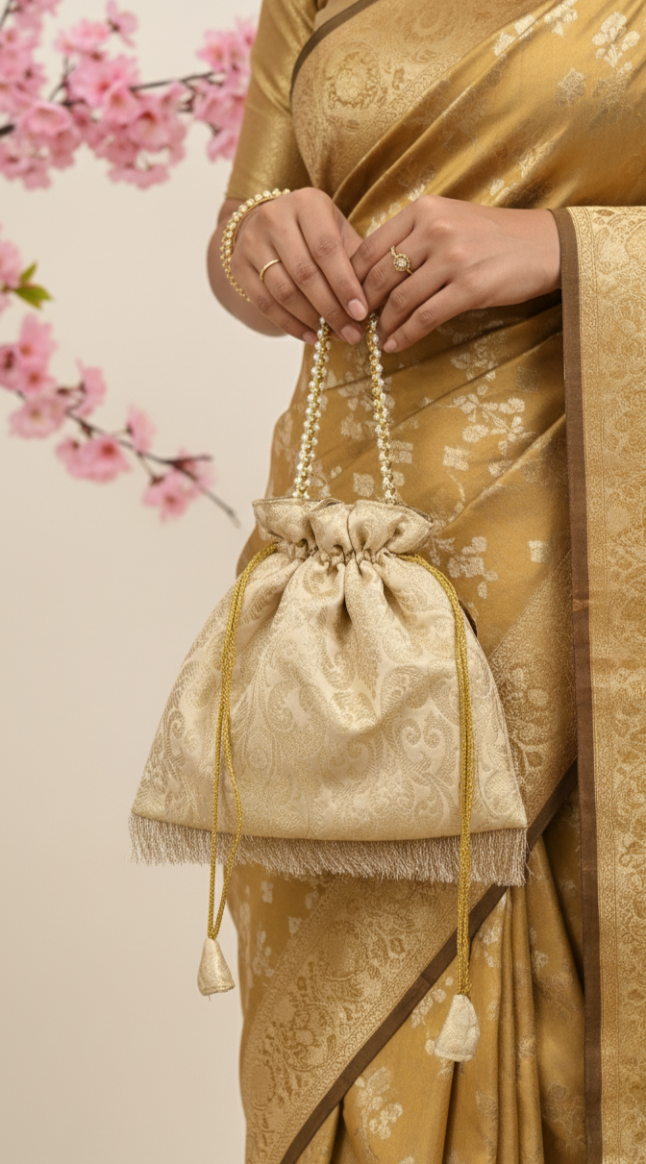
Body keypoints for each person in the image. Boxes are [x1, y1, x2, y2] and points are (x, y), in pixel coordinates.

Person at [145, 1, 646, 1159]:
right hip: (344, 573)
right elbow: (239, 239)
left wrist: (563, 247)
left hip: (588, 558)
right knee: (334, 1028)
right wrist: (264, 242)